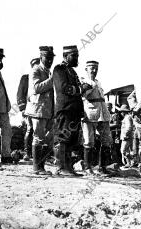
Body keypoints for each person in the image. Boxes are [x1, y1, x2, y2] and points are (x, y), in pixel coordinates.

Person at [53, 45, 86, 176]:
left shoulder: (72, 71)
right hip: (65, 110)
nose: (77, 58)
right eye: (74, 56)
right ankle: (61, 168)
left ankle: (68, 167)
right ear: (66, 56)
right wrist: (81, 89)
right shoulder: (59, 69)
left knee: (72, 139)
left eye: (77, 55)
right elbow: (64, 88)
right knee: (63, 138)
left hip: (74, 111)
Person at [25, 47, 55, 175]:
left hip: (47, 110)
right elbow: (36, 88)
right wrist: (52, 80)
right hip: (37, 110)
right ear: (41, 57)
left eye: (51, 58)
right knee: (38, 138)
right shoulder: (36, 70)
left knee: (46, 139)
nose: (50, 61)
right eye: (47, 58)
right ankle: (37, 168)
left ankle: (41, 166)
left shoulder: (48, 71)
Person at [80, 61, 112, 175]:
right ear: (86, 69)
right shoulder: (84, 81)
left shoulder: (98, 82)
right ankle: (87, 168)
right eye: (92, 68)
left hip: (103, 115)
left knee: (106, 141)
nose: (94, 70)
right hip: (90, 114)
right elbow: (82, 94)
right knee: (89, 141)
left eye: (96, 68)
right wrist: (88, 85)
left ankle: (102, 167)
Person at [17, 58, 40, 161]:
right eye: (35, 65)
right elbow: (20, 93)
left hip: (41, 109)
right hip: (29, 108)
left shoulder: (45, 77)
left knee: (39, 131)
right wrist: (22, 108)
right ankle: (27, 152)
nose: (37, 66)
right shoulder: (26, 78)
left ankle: (38, 154)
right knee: (30, 129)